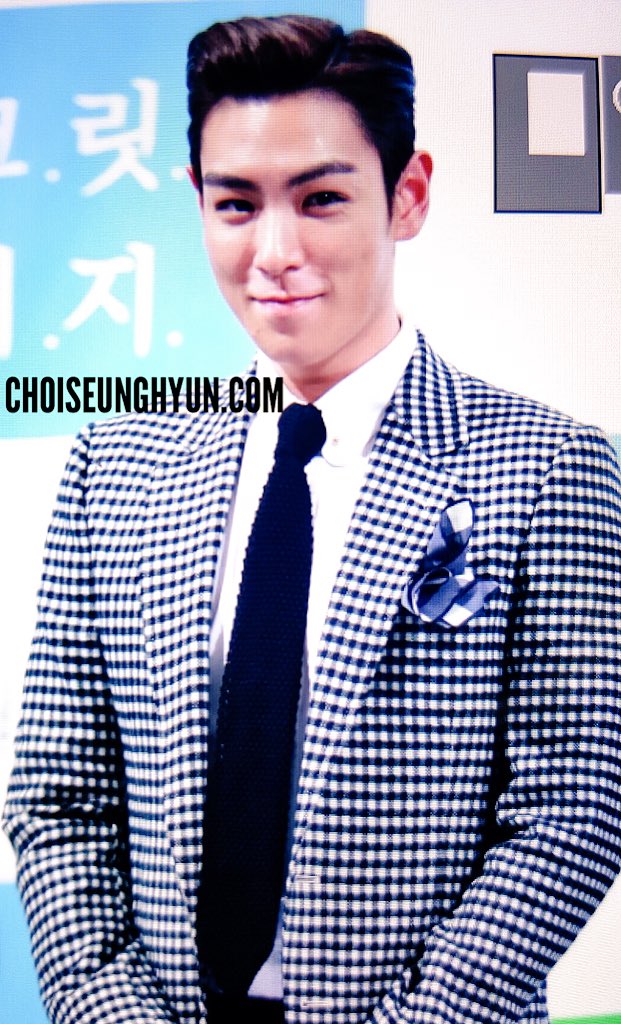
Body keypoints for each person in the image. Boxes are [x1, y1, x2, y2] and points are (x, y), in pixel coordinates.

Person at [3, 13, 621, 1024]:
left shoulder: (546, 466)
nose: (275, 252)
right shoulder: (113, 468)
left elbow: (573, 808)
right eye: (236, 204)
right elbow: (58, 792)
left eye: (321, 198)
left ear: (406, 195)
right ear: (197, 204)